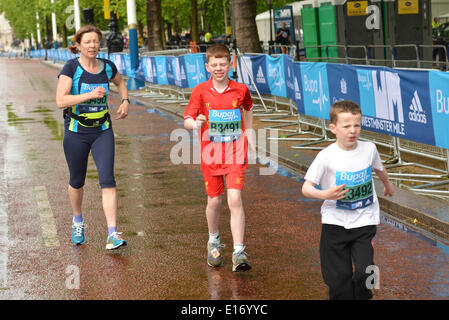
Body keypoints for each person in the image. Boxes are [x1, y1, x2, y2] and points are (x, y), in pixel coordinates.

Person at [301, 100, 394, 300]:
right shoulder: (326, 156)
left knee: (365, 271)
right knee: (338, 278)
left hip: (364, 220)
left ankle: (364, 296)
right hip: (335, 223)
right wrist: (325, 195)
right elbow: (306, 188)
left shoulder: (369, 148)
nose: (353, 131)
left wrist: (388, 184)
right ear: (333, 128)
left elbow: (379, 168)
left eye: (357, 125)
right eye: (347, 126)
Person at [56, 25, 130, 250]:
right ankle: (77, 219)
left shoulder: (107, 67)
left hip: (102, 131)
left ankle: (112, 234)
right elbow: (61, 100)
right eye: (87, 42)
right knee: (77, 181)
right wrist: (89, 94)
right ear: (78, 45)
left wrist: (125, 100)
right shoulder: (71, 68)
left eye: (96, 41)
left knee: (107, 180)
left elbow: (120, 82)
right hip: (77, 132)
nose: (92, 45)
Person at [183, 43, 255, 272]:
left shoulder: (241, 89)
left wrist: (250, 134)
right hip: (210, 154)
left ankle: (239, 251)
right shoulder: (200, 91)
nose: (219, 68)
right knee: (214, 201)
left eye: (223, 64)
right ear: (207, 67)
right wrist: (195, 123)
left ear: (230, 64)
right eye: (214, 65)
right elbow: (187, 118)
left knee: (235, 198)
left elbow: (248, 108)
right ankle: (213, 240)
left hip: (235, 152)